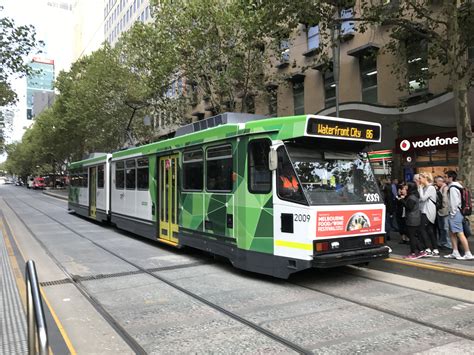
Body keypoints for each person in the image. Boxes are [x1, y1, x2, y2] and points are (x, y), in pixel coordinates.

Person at [444, 171, 473, 260]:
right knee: (452, 233)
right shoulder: (458, 186)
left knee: (460, 233)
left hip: (455, 213)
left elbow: (454, 203)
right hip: (457, 213)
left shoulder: (452, 188)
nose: (444, 178)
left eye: (445, 176)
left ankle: (468, 253)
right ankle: (455, 252)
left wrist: (452, 214)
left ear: (450, 178)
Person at [401, 182, 426, 259]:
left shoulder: (411, 197)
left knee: (411, 237)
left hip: (412, 219)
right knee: (413, 236)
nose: (405, 189)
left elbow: (409, 207)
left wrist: (401, 200)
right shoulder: (415, 195)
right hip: (415, 218)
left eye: (406, 187)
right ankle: (421, 250)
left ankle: (413, 253)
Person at [418, 172, 440, 257]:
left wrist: (419, 187)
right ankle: (435, 249)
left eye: (420, 178)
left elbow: (423, 198)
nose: (419, 180)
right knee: (430, 230)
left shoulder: (430, 188)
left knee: (422, 229)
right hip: (425, 210)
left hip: (428, 211)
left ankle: (428, 249)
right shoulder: (426, 187)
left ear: (425, 178)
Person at [434, 175, 452, 251]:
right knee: (442, 228)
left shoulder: (445, 188)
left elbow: (445, 201)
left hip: (444, 211)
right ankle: (443, 242)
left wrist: (442, 208)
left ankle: (447, 244)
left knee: (445, 228)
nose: (436, 183)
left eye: (436, 181)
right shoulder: (441, 188)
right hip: (441, 211)